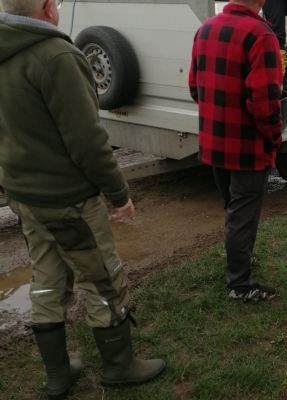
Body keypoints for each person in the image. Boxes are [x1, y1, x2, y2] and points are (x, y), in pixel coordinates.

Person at [0, 0, 165, 398]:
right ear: (47, 8)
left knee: (46, 279)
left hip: (24, 196)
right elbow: (88, 141)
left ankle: (58, 375)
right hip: (68, 200)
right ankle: (120, 366)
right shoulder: (56, 56)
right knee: (103, 280)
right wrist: (118, 194)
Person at [189, 0, 283, 301]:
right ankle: (240, 286)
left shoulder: (205, 29)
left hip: (214, 141)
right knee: (242, 215)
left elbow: (195, 87)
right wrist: (274, 137)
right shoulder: (261, 35)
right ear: (262, 0)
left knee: (233, 208)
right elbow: (265, 102)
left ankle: (241, 259)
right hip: (247, 147)